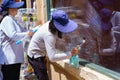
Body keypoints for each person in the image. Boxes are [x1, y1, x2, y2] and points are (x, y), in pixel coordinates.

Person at [27, 10, 79, 80]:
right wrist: (70, 54)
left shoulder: (51, 23)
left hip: (38, 54)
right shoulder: (49, 35)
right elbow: (52, 57)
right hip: (35, 57)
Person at [0, 0, 34, 80]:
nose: (17, 9)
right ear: (10, 9)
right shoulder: (7, 20)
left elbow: (23, 31)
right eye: (15, 7)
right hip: (9, 60)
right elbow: (13, 35)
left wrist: (30, 32)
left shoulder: (13, 20)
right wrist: (27, 34)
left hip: (14, 59)